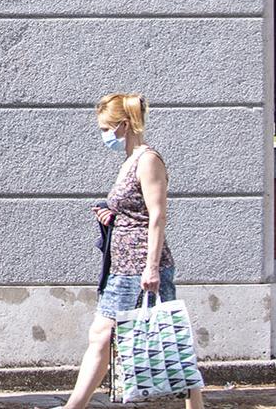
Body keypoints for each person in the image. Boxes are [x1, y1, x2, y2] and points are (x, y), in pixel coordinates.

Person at [62, 93, 203, 409]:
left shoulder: (148, 160)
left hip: (141, 267)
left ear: (124, 125)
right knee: (104, 335)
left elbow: (157, 215)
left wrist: (151, 267)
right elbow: (135, 211)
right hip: (122, 267)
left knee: (170, 338)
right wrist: (111, 215)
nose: (104, 135)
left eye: (106, 127)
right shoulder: (129, 161)